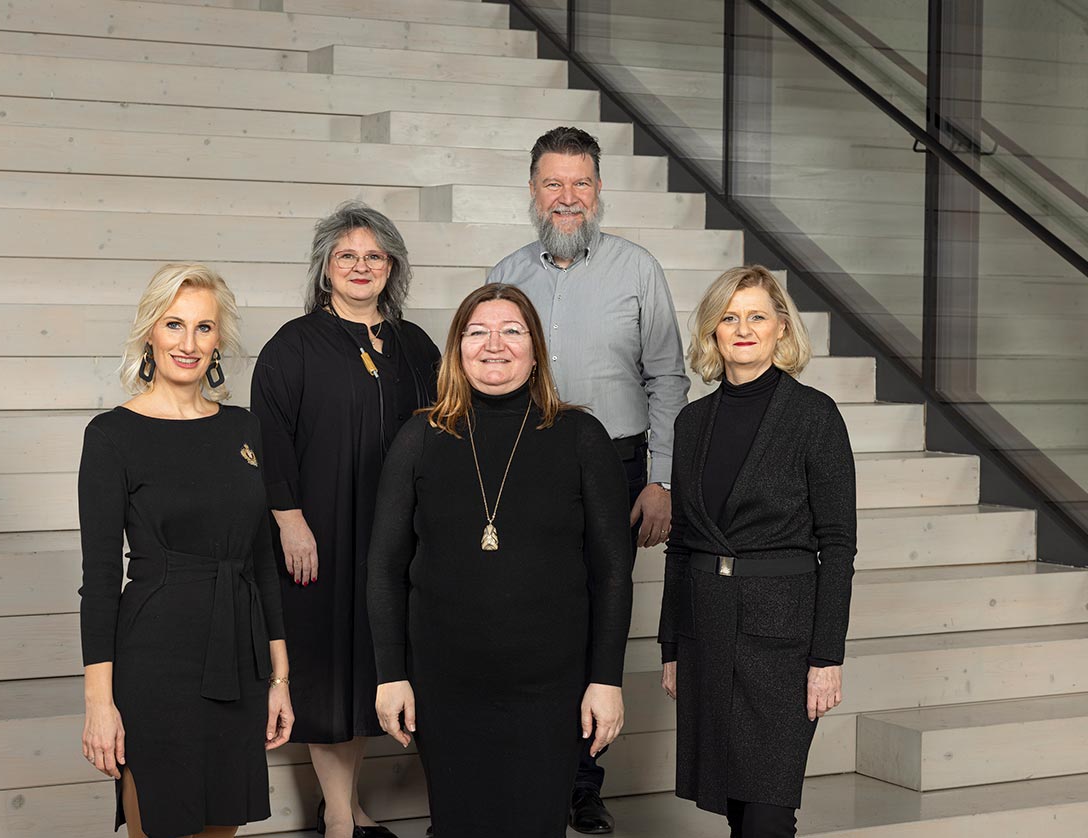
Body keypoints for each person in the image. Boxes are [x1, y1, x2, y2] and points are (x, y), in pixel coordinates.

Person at [367, 283, 634, 838]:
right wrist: (391, 675)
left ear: (536, 350)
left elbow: (611, 572)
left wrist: (606, 680)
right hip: (446, 687)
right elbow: (385, 567)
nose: (495, 344)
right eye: (477, 332)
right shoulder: (419, 437)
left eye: (512, 331)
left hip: (550, 691)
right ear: (457, 348)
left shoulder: (582, 437)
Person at [487, 125, 690, 833]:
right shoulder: (506, 273)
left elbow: (668, 379)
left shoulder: (638, 270)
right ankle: (528, 767)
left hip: (619, 467)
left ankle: (580, 785)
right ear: (533, 191)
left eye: (580, 183)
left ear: (599, 191)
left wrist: (662, 480)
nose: (566, 197)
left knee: (601, 615)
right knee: (530, 618)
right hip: (526, 467)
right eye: (553, 183)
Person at [78, 263, 294, 838]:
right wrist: (100, 704)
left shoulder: (244, 429)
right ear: (150, 331)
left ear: (219, 339)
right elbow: (99, 581)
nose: (188, 342)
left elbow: (262, 559)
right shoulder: (112, 435)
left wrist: (279, 678)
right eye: (174, 324)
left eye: (204, 327)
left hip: (240, 658)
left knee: (223, 825)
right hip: (155, 661)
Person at [250, 202, 440, 838]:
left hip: (398, 534)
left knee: (371, 669)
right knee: (331, 671)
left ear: (392, 268)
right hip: (321, 532)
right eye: (346, 256)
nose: (361, 267)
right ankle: (337, 816)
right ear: (325, 267)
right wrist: (289, 520)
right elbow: (269, 438)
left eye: (374, 256)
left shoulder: (416, 345)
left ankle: (350, 805)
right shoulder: (293, 345)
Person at [659, 265, 857, 836]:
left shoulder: (814, 415)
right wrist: (671, 645)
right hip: (708, 629)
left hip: (783, 642)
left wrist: (827, 657)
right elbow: (681, 544)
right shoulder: (692, 422)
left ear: (781, 329)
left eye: (757, 317)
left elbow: (838, 546)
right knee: (738, 809)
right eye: (729, 317)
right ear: (713, 331)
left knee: (768, 813)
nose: (743, 329)